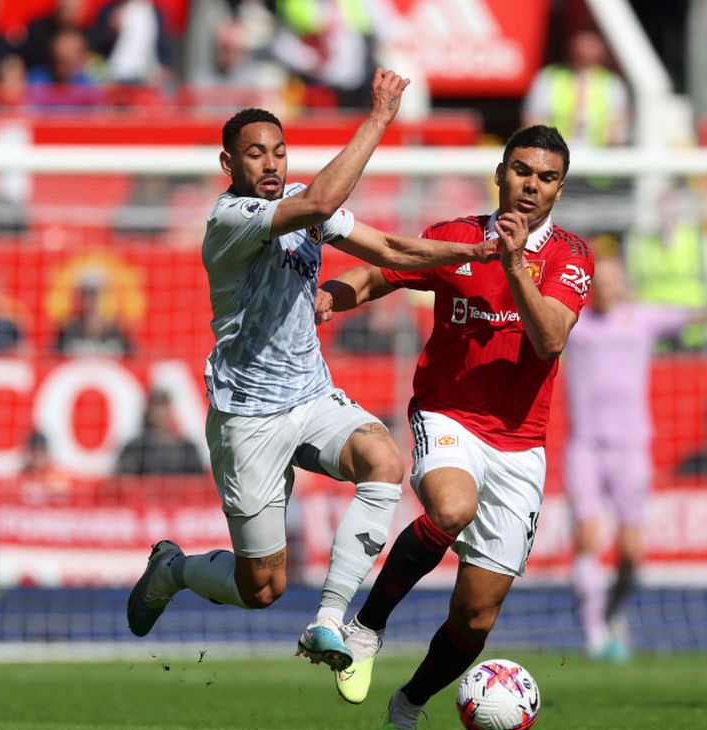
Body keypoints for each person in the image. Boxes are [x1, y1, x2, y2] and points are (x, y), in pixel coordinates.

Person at [125, 69, 498, 676]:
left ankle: (330, 618)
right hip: (247, 415)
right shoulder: (232, 220)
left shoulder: (304, 202)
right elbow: (322, 202)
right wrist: (379, 117)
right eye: (254, 154)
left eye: (278, 151)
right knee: (261, 587)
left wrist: (472, 254)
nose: (269, 164)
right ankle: (174, 568)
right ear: (229, 163)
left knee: (385, 461)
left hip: (312, 395)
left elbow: (393, 252)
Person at [315, 125, 593, 730]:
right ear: (500, 173)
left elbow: (549, 339)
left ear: (559, 189)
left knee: (475, 617)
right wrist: (332, 295)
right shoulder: (454, 239)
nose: (531, 186)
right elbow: (383, 274)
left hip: (521, 444)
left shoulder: (573, 255)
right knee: (451, 507)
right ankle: (367, 626)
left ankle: (409, 703)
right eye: (522, 171)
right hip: (448, 415)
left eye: (546, 178)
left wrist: (515, 263)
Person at [563, 244, 707, 661]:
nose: (608, 289)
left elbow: (698, 314)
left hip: (631, 447)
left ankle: (613, 611)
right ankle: (593, 630)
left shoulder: (642, 320)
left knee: (632, 550)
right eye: (601, 282)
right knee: (588, 533)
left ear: (625, 284)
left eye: (614, 281)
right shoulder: (575, 324)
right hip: (585, 446)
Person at [115, 389, 205, 476]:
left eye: (164, 406)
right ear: (149, 410)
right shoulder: (136, 448)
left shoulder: (187, 448)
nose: (161, 412)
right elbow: (124, 482)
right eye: (157, 406)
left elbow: (199, 483)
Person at [53, 277, 133, 357]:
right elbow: (51, 358)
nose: (90, 303)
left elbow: (135, 359)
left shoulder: (116, 333)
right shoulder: (68, 332)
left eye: (95, 297)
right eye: (86, 297)